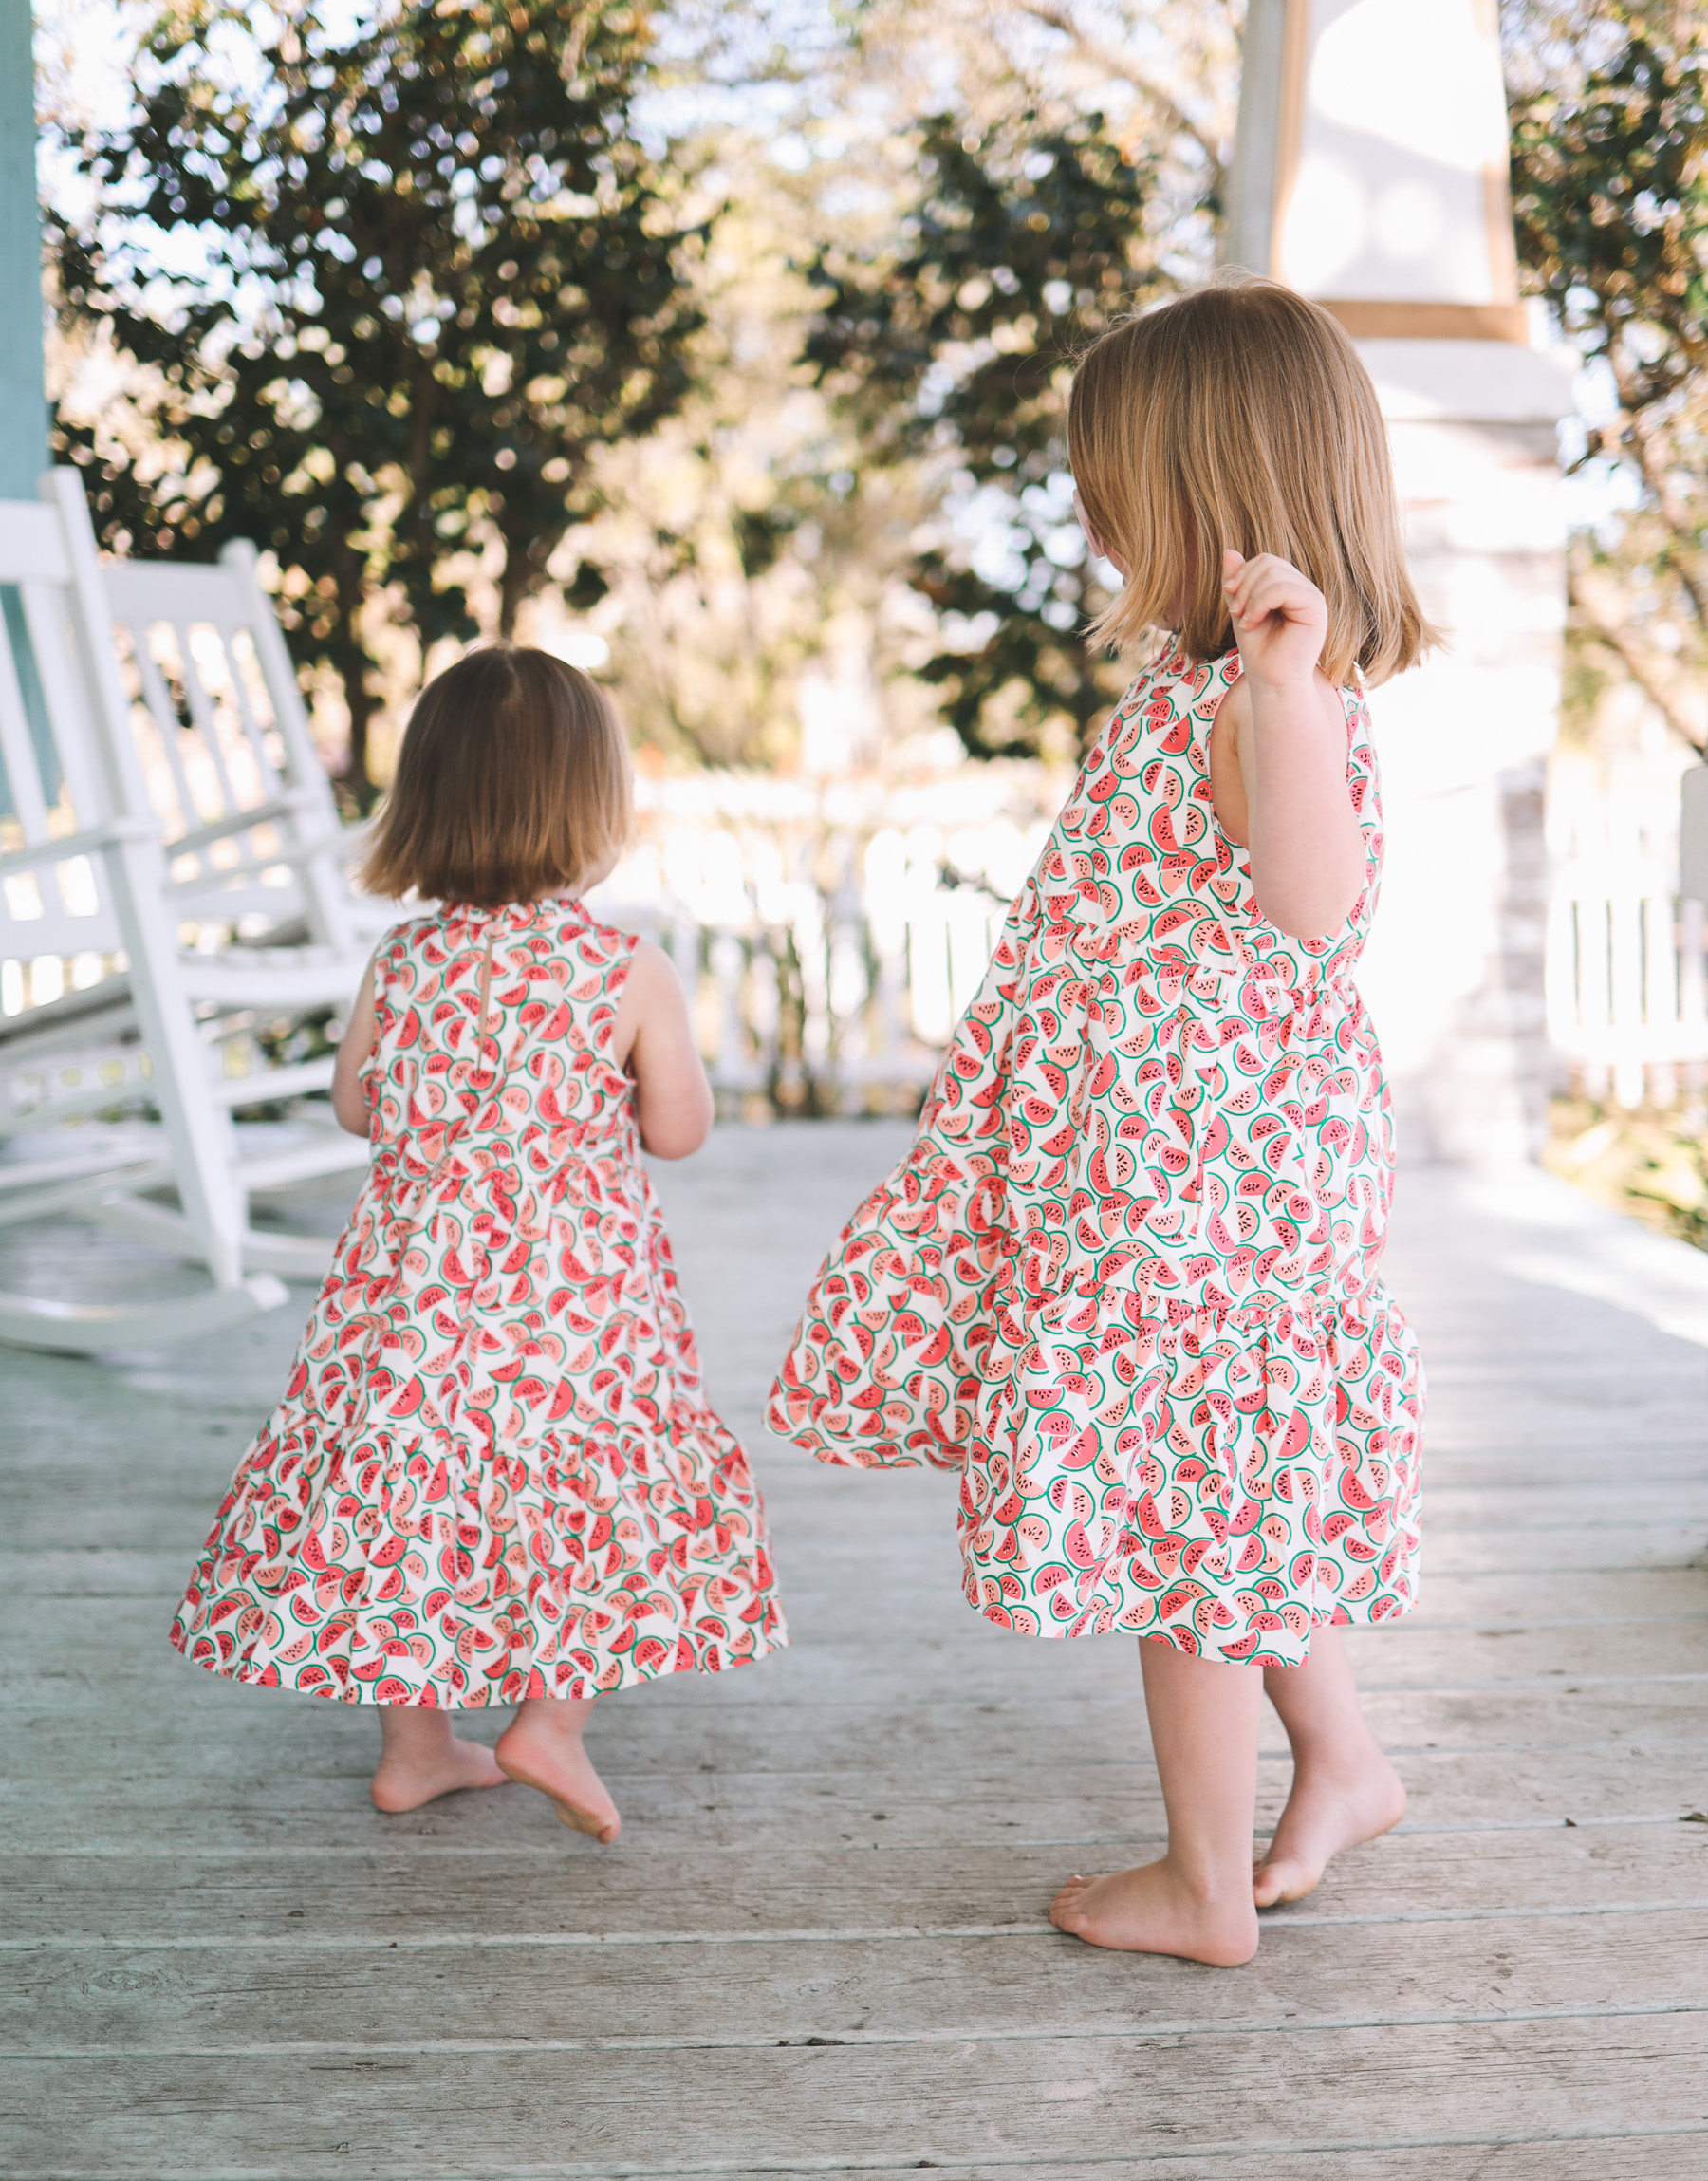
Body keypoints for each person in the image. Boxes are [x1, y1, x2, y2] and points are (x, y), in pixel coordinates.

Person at [767, 279, 1433, 1962]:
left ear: (1210, 490)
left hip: (1200, 1209)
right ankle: (1342, 1759)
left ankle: (1205, 1890)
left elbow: (1312, 910)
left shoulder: (1282, 700)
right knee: (1224, 1491)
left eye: (1112, 484)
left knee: (1183, 1530)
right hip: (1143, 1186)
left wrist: (1282, 692)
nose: (1092, 515)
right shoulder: (1188, 688)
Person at [172, 647, 786, 1842]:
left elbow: (357, 1108)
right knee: (587, 1493)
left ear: (429, 805)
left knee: (413, 1498)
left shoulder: (400, 962)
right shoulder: (624, 968)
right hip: (573, 1316)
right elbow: (680, 1128)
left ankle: (417, 1750)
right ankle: (548, 1723)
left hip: (411, 1312)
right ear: (590, 808)